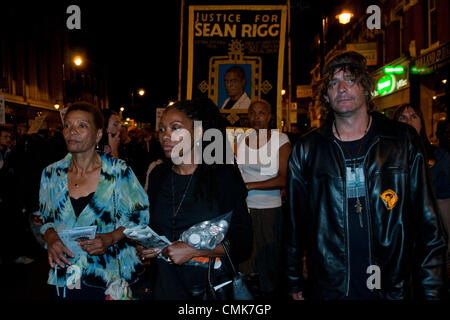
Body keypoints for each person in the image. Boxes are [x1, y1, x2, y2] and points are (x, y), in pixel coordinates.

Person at [285, 51, 448, 300]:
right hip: (331, 286)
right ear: (326, 97)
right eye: (333, 83)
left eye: (350, 79)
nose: (341, 88)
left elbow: (428, 224)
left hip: (390, 284)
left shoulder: (402, 140)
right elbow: (294, 222)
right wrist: (294, 279)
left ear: (366, 88)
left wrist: (432, 290)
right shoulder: (307, 149)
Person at [137, 98, 252, 300]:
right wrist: (145, 245)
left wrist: (192, 250)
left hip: (209, 288)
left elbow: (243, 242)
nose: (166, 136)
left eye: (176, 128)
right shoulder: (158, 176)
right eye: (162, 129)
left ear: (198, 132)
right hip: (164, 286)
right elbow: (153, 227)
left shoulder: (222, 177)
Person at [39, 101, 149, 300]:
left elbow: (141, 217)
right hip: (68, 275)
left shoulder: (118, 171)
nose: (72, 131)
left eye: (82, 125)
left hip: (110, 277)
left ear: (98, 135)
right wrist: (51, 237)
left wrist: (111, 238)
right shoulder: (51, 173)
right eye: (67, 126)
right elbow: (45, 219)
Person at [237, 100, 291, 298]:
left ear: (269, 116)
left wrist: (249, 186)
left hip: (269, 209)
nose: (256, 117)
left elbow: (283, 179)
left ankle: (268, 297)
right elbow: (239, 173)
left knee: (268, 260)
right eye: (252, 113)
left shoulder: (280, 139)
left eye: (261, 113)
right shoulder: (243, 139)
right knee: (245, 259)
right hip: (245, 207)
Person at [394, 104, 450, 260]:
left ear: (422, 123)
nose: (408, 121)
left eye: (414, 116)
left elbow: (444, 204)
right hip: (397, 242)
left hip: (430, 240)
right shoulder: (384, 159)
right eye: (402, 117)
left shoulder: (439, 157)